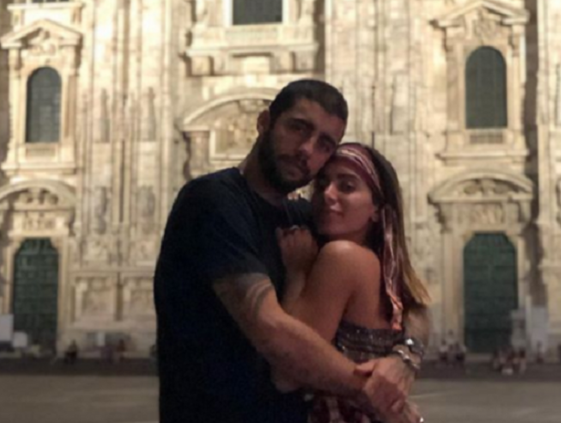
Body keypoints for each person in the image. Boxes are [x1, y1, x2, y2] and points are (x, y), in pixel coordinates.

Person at [154, 80, 421, 423]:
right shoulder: (214, 201)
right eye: (298, 128)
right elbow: (272, 331)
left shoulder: (307, 218)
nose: (307, 150)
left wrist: (406, 357)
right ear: (264, 122)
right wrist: (376, 392)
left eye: (324, 144)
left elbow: (411, 301)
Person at [273, 143, 431, 423]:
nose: (327, 194)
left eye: (346, 186)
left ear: (376, 208)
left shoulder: (341, 257)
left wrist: (297, 274)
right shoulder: (381, 268)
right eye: (322, 183)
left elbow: (286, 373)